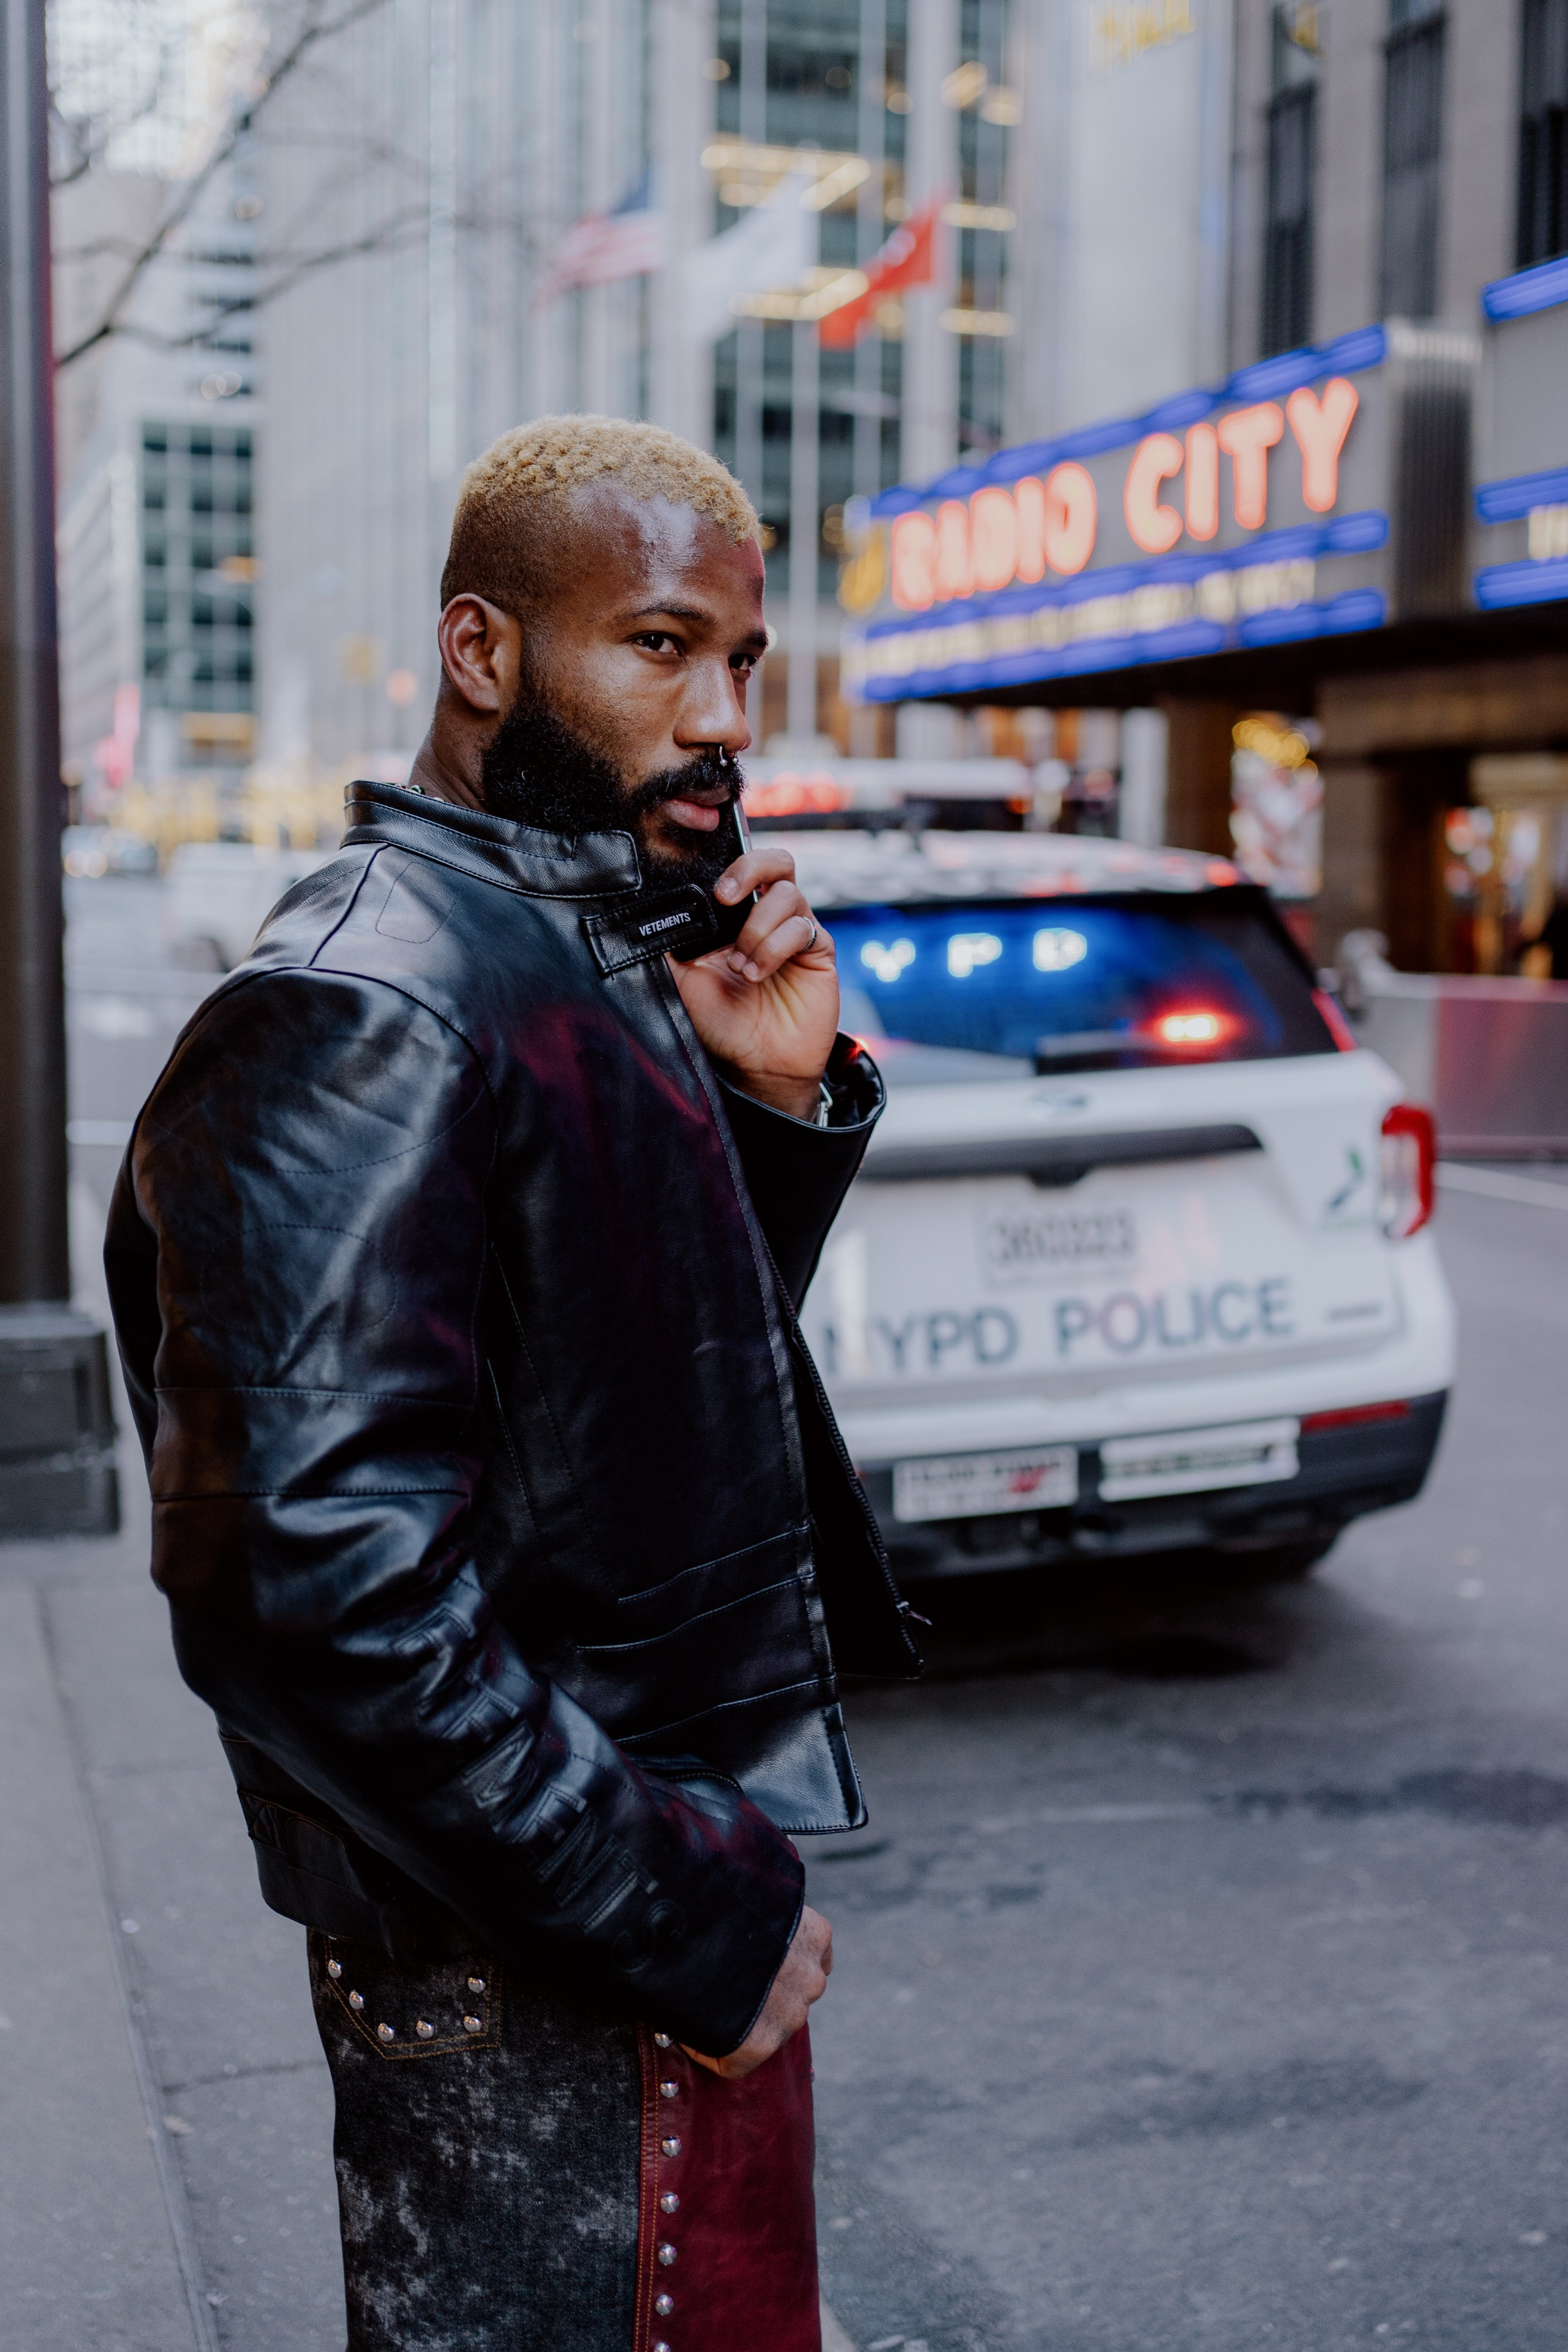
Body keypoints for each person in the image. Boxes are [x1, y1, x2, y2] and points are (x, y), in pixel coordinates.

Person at [105, 416, 921, 2351]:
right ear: (483, 653)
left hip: (617, 1899)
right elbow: (308, 1590)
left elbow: (624, 1401)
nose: (723, 714)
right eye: (660, 648)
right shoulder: (363, 1002)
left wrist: (773, 1108)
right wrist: (686, 1914)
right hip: (530, 1962)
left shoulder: (566, 946)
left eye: (743, 663)